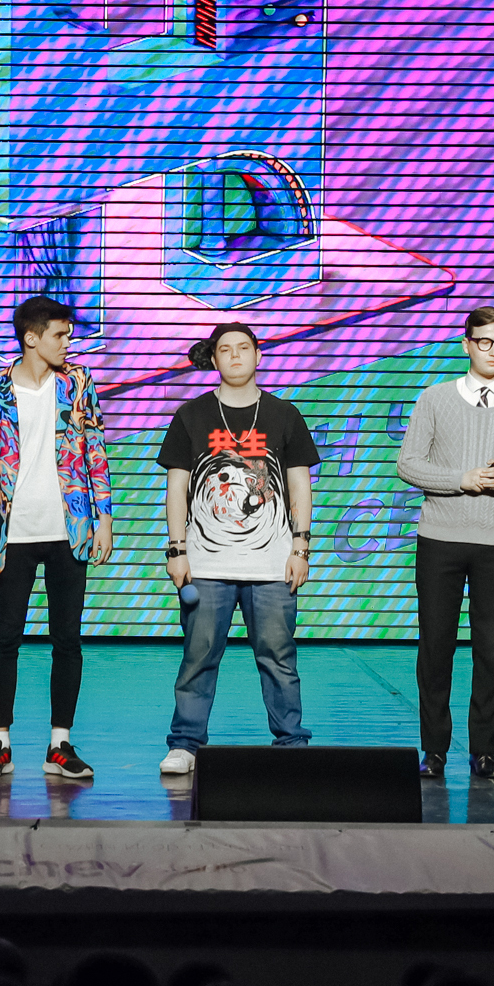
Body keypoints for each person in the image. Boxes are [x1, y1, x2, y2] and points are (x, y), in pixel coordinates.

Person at [395, 305, 494, 781]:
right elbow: (408, 464)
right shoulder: (435, 399)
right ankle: (434, 751)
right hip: (439, 539)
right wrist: (460, 479)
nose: (493, 352)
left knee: (491, 648)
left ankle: (485, 751)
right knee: (435, 647)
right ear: (466, 344)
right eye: (484, 342)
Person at [158, 323, 318, 775]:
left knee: (279, 657)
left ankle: (291, 741)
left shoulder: (284, 414)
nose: (234, 356)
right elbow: (177, 488)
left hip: (272, 564)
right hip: (207, 564)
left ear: (258, 355)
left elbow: (300, 485)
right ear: (213, 359)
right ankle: (185, 744)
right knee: (199, 656)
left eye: (243, 348)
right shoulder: (192, 415)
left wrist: (301, 548)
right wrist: (177, 550)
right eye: (224, 349)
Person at [0, 296, 114, 781]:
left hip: (68, 529)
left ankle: (60, 744)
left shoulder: (78, 383)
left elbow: (95, 451)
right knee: (5, 637)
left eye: (68, 334)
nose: (67, 342)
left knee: (66, 639)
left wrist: (104, 518)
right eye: (59, 334)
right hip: (13, 532)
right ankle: (0, 742)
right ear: (31, 338)